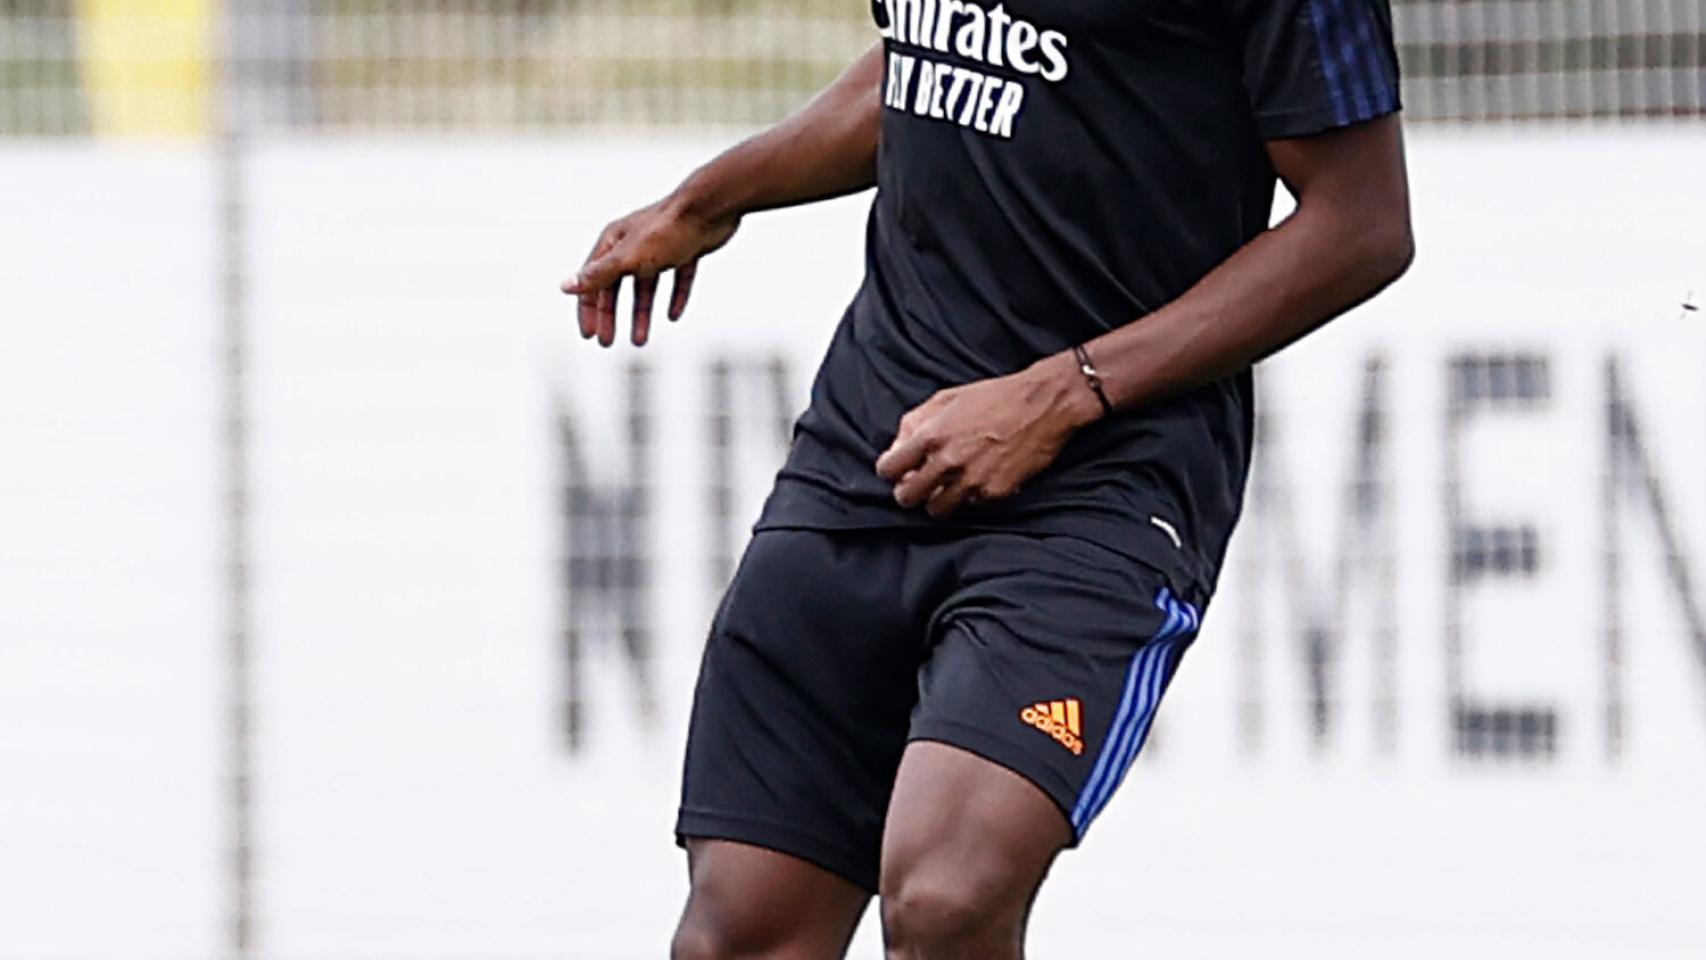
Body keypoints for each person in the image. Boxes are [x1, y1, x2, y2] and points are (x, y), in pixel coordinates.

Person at [564, 0, 1412, 955]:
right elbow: (927, 64)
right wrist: (711, 198)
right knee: (736, 934)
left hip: (1099, 490)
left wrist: (1061, 395)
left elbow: (1363, 224)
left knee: (947, 898)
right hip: (871, 453)